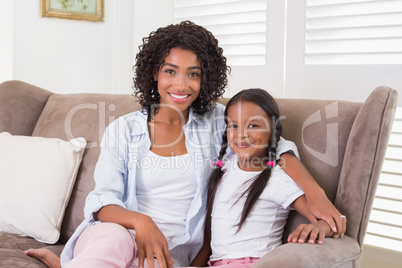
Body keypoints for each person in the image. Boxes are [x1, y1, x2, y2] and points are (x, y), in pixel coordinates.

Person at [25, 21, 345, 268]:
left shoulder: (219, 121)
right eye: (170, 71)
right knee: (111, 240)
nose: (181, 85)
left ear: (205, 78)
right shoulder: (123, 129)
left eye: (193, 74)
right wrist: (140, 221)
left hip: (171, 250)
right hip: (116, 235)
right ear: (154, 73)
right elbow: (102, 202)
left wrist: (314, 194)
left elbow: (272, 145)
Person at [190, 88, 345, 267]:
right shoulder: (224, 167)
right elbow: (210, 238)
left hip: (252, 262)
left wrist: (319, 227)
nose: (241, 134)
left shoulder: (276, 179)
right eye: (233, 125)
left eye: (253, 125)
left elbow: (330, 220)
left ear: (272, 130)